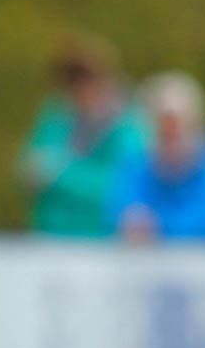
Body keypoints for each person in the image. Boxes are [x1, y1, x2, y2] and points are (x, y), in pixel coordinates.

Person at [19, 38, 148, 237]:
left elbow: (121, 186)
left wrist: (62, 173)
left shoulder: (127, 128)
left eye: (86, 78)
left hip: (100, 242)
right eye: (72, 79)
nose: (80, 87)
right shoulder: (55, 116)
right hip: (51, 236)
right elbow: (28, 171)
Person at [109, 72, 205, 241]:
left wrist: (159, 227)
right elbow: (118, 207)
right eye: (163, 124)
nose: (170, 131)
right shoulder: (137, 161)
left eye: (176, 123)